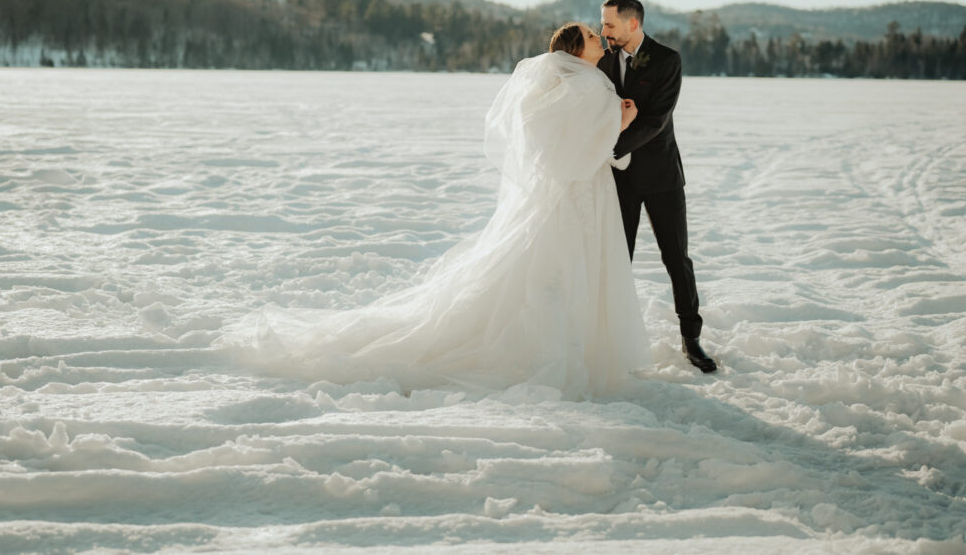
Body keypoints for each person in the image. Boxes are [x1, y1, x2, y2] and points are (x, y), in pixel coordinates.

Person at [227, 23, 651, 398]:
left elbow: (555, 142)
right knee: (564, 270)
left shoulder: (559, 89)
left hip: (565, 193)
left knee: (552, 269)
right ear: (576, 50)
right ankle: (567, 347)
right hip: (577, 194)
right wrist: (621, 124)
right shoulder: (588, 86)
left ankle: (570, 341)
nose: (600, 39)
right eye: (593, 36)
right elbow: (579, 149)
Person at [598, 0, 717, 373]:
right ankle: (611, 338)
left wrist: (609, 148)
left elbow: (655, 121)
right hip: (618, 181)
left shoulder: (667, 60)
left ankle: (691, 337)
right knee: (617, 259)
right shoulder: (601, 61)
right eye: (602, 24)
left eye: (610, 25)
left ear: (633, 24)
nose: (604, 32)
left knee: (676, 258)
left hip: (662, 176)